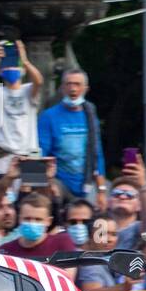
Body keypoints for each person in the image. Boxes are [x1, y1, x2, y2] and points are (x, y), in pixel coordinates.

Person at [38, 69, 106, 203]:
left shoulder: (90, 114)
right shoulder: (48, 116)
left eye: (77, 84)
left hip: (86, 183)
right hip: (59, 181)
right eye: (68, 84)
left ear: (86, 88)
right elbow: (40, 152)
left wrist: (102, 190)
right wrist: (43, 184)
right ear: (62, 88)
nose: (73, 89)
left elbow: (97, 154)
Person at [0, 41, 42, 179]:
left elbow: (39, 81)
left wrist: (24, 60)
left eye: (15, 64)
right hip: (2, 154)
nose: (11, 67)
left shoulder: (29, 90)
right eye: (7, 64)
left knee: (33, 197)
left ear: (24, 71)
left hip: (30, 153)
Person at [79, 213, 132, 291]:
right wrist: (124, 287)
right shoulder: (90, 263)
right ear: (90, 236)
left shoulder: (108, 262)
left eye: (114, 234)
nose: (109, 239)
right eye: (102, 234)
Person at [0, 192, 77, 271]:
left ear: (48, 221)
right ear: (19, 219)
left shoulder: (62, 243)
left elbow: (68, 277)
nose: (32, 223)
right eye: (27, 219)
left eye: (38, 219)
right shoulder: (5, 250)